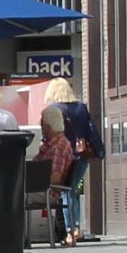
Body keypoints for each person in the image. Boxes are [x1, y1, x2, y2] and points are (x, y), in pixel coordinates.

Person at [45, 79, 102, 244]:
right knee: (72, 191)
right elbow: (91, 131)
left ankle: (71, 232)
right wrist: (99, 150)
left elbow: (47, 136)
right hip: (81, 155)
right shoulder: (81, 108)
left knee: (65, 192)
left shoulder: (52, 110)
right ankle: (76, 228)